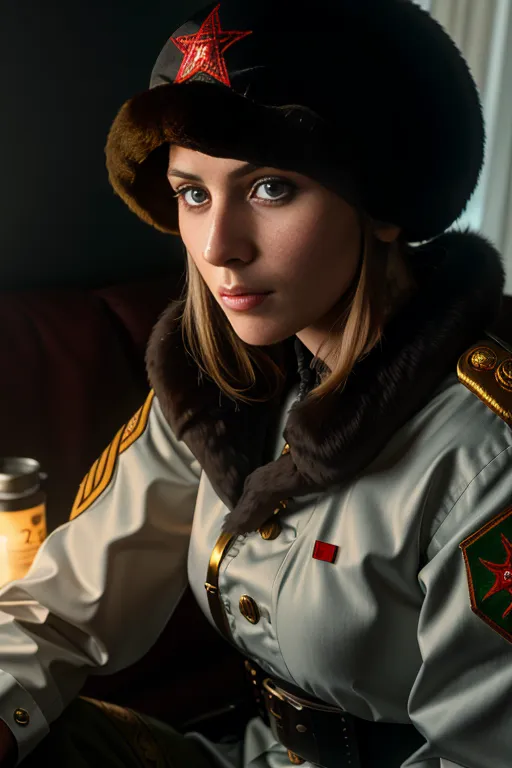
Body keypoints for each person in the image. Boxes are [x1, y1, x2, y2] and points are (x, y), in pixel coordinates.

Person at [0, 0, 511, 766]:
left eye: (270, 188)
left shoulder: (483, 453)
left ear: (383, 205)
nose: (217, 246)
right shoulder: (212, 383)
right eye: (192, 191)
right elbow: (60, 610)